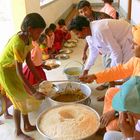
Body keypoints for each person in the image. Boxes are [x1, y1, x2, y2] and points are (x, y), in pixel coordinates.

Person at [79, 24, 140, 132]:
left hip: (136, 107)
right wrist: (95, 76)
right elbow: (121, 70)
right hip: (133, 98)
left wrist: (116, 111)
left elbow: (135, 100)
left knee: (112, 127)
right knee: (111, 91)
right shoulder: (137, 59)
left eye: (134, 44)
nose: (131, 47)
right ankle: (106, 121)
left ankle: (110, 127)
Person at [0, 13, 46, 140]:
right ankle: (18, 132)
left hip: (13, 69)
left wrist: (39, 78)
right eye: (38, 32)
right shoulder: (18, 44)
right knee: (18, 102)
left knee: (24, 96)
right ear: (30, 29)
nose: (39, 35)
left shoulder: (28, 38)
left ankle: (26, 125)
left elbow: (29, 62)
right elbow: (20, 72)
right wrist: (34, 91)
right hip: (5, 71)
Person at [77, 0, 114, 91]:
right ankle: (107, 83)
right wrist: (84, 51)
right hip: (104, 47)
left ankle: (110, 90)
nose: (84, 13)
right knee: (106, 65)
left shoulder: (101, 18)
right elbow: (89, 39)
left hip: (111, 44)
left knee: (111, 68)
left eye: (85, 10)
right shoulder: (86, 21)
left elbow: (111, 35)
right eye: (81, 12)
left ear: (90, 7)